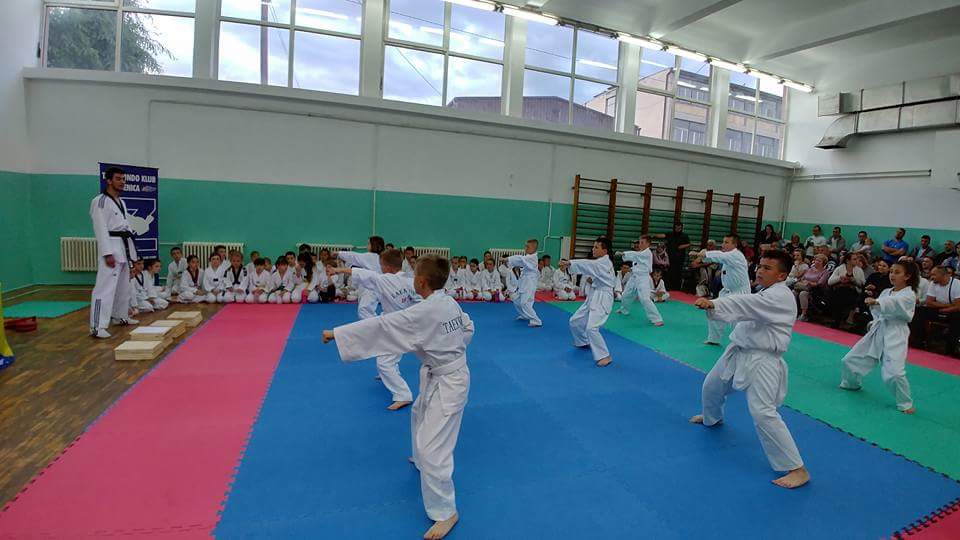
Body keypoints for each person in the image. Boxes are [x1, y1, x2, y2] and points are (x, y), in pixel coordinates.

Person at [322, 255, 472, 540]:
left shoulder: (424, 312)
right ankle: (420, 461)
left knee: (433, 449)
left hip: (450, 381)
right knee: (418, 414)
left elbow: (383, 326)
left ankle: (446, 512)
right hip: (440, 373)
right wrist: (451, 349)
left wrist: (337, 334)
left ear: (421, 282)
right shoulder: (447, 301)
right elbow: (467, 327)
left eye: (414, 275)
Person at [690, 249, 809, 489]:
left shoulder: (780, 296)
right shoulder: (766, 291)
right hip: (739, 351)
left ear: (782, 275)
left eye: (767, 268)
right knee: (712, 386)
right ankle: (712, 418)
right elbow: (746, 307)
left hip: (763, 360)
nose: (760, 271)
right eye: (760, 266)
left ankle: (798, 469)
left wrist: (714, 303)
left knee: (763, 412)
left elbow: (745, 304)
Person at [327, 248, 421, 410]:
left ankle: (403, 395)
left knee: (384, 364)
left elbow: (361, 273)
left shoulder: (384, 280)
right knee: (387, 357)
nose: (380, 268)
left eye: (382, 265)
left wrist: (337, 270)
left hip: (396, 328)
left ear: (388, 268)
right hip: (406, 325)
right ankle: (394, 376)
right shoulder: (411, 281)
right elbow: (421, 302)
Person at [840, 260, 920, 413]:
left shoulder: (909, 294)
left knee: (894, 373)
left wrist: (877, 301)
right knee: (849, 360)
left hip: (896, 333)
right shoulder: (886, 292)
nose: (892, 275)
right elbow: (879, 311)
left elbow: (894, 303)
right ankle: (851, 383)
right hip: (879, 329)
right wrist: (874, 316)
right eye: (891, 272)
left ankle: (905, 403)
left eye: (897, 272)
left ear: (907, 276)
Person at [89, 166, 139, 338]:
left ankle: (120, 316)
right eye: (118, 178)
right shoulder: (100, 201)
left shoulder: (120, 202)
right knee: (105, 288)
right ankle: (97, 326)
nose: (122, 182)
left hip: (123, 246)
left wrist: (133, 255)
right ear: (109, 180)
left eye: (123, 179)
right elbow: (100, 228)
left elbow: (126, 226)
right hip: (110, 245)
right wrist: (106, 253)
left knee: (124, 286)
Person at [561, 237, 616, 367]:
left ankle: (605, 356)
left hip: (603, 297)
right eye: (593, 246)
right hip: (594, 294)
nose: (593, 249)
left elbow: (588, 265)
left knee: (591, 328)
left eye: (596, 247)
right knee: (575, 321)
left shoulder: (603, 262)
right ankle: (583, 341)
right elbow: (591, 267)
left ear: (605, 250)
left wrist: (570, 263)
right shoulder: (601, 262)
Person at [692, 234, 750, 345]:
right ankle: (714, 339)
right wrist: (702, 256)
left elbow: (720, 256)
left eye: (726, 242)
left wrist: (704, 253)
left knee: (737, 319)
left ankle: (742, 342)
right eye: (723, 242)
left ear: (735, 244)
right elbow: (717, 258)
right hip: (727, 292)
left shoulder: (736, 255)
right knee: (713, 309)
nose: (723, 244)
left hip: (740, 293)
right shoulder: (728, 256)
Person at [617, 235, 664, 326]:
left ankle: (657, 319)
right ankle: (624, 309)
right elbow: (635, 259)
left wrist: (624, 254)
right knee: (626, 294)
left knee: (645, 299)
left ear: (648, 244)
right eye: (639, 242)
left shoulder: (647, 253)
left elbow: (636, 255)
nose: (640, 244)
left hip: (643, 278)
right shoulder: (639, 253)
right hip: (634, 277)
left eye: (642, 242)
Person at [911, 266, 959, 354]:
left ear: (943, 275)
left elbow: (958, 306)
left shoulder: (957, 284)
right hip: (939, 309)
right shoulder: (933, 283)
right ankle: (918, 342)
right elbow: (929, 302)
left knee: (957, 318)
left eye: (934, 274)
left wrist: (944, 310)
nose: (931, 277)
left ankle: (951, 349)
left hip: (953, 312)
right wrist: (947, 305)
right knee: (919, 311)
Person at [339, 237, 385, 319]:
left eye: (368, 243)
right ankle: (375, 324)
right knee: (365, 309)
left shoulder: (371, 256)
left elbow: (354, 256)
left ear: (374, 245)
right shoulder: (379, 257)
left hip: (371, 289)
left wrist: (339, 253)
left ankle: (377, 325)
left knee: (363, 310)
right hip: (370, 287)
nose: (367, 245)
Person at [505, 239, 542, 327]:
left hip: (530, 283)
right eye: (525, 246)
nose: (525, 248)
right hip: (524, 282)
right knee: (516, 300)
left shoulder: (532, 257)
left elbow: (520, 259)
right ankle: (525, 315)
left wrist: (507, 259)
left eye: (527, 247)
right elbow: (521, 261)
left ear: (534, 248)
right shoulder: (528, 257)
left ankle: (536, 320)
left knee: (524, 302)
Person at [826, 252, 865, 327]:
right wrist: (840, 278)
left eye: (857, 259)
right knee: (839, 294)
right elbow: (829, 282)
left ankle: (839, 320)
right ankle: (837, 319)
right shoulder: (839, 268)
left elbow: (862, 283)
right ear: (848, 260)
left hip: (853, 291)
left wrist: (854, 280)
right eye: (854, 259)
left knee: (846, 294)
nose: (857, 261)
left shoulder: (859, 270)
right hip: (839, 290)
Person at [792, 254, 830, 322]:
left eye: (819, 261)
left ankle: (804, 314)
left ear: (823, 263)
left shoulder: (825, 272)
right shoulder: (810, 269)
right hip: (803, 286)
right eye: (816, 260)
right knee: (794, 292)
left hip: (815, 290)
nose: (817, 262)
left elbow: (820, 283)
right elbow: (803, 278)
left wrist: (809, 283)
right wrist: (803, 282)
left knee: (803, 294)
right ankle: (793, 311)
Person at [654, 223, 691, 289]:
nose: (677, 229)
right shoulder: (670, 234)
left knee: (678, 272)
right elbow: (663, 235)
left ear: (681, 228)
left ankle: (677, 287)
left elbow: (689, 244)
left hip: (679, 258)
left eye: (679, 228)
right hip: (670, 256)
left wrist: (681, 246)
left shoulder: (684, 236)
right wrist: (654, 236)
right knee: (670, 272)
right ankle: (669, 287)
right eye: (676, 228)